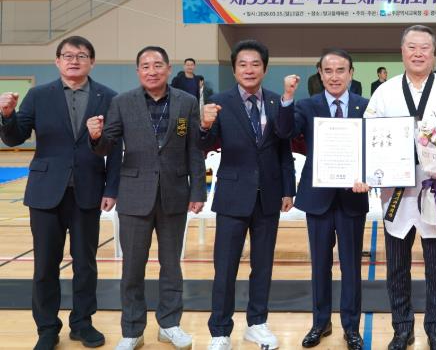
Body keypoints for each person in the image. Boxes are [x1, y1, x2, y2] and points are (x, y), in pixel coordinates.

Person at [0, 36, 121, 350]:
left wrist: (112, 188)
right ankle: (46, 328)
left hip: (88, 190)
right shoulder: (39, 95)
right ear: (57, 61)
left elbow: (114, 147)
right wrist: (8, 115)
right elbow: (14, 138)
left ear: (92, 62)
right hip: (45, 192)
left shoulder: (108, 97)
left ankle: (82, 323)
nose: (74, 60)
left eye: (81, 55)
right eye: (68, 55)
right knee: (44, 265)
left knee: (85, 264)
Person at [86, 46, 206, 350]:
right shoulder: (122, 102)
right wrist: (96, 136)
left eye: (157, 65)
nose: (152, 71)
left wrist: (197, 190)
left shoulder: (186, 102)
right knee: (132, 268)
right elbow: (108, 146)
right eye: (145, 66)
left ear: (168, 69)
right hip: (134, 194)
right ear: (138, 71)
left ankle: (170, 324)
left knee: (172, 266)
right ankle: (132, 329)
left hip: (174, 194)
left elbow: (193, 148)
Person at [365, 25, 436, 350]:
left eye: (425, 47)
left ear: (434, 53)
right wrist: (370, 172)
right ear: (402, 52)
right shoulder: (384, 92)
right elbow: (369, 136)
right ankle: (402, 328)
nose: (418, 53)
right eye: (412, 47)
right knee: (397, 266)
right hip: (397, 192)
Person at [199, 40, 296, 350]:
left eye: (255, 64)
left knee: (263, 265)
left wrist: (288, 189)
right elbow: (203, 145)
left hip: (269, 195)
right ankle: (220, 330)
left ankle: (257, 323)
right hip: (232, 195)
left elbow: (284, 148)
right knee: (225, 267)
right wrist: (204, 125)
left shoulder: (276, 101)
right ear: (234, 69)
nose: (249, 69)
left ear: (264, 69)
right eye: (243, 64)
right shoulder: (219, 102)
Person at [278, 48, 370, 350]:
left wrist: (369, 175)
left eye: (340, 70)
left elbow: (374, 149)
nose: (334, 76)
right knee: (319, 265)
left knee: (351, 266)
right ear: (320, 74)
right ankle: (320, 322)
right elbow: (285, 131)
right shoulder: (306, 105)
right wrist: (287, 97)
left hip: (353, 198)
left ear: (351, 73)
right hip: (317, 198)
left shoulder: (366, 106)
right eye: (328, 71)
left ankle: (351, 327)